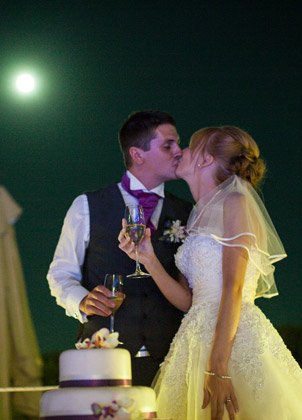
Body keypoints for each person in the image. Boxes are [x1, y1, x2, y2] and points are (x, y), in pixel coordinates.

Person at [118, 126, 302, 419]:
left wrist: (219, 369)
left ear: (206, 159)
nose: (180, 151)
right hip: (194, 340)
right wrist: (147, 259)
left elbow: (233, 288)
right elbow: (188, 301)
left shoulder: (236, 203)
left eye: (189, 146)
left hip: (232, 344)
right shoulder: (196, 214)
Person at [47, 110, 193, 386]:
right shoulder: (86, 205)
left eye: (178, 143)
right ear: (137, 155)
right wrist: (81, 299)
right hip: (103, 360)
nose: (179, 151)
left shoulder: (189, 213)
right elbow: (60, 274)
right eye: (168, 145)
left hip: (172, 358)